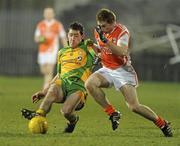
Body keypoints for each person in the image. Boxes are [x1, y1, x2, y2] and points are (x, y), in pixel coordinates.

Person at [85, 8, 173, 137]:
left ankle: (162, 124)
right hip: (107, 69)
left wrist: (106, 41)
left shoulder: (122, 32)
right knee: (89, 84)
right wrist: (94, 47)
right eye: (100, 25)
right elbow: (102, 50)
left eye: (104, 26)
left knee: (134, 106)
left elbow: (122, 52)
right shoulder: (99, 31)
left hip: (122, 71)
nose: (101, 28)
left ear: (113, 23)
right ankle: (112, 113)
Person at [22, 22, 96, 133]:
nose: (72, 38)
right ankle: (39, 114)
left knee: (65, 112)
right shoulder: (62, 52)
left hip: (78, 88)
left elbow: (101, 52)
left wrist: (94, 45)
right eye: (71, 35)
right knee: (53, 88)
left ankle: (73, 121)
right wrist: (43, 92)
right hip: (62, 84)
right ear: (67, 35)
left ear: (82, 36)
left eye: (76, 35)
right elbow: (58, 75)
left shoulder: (88, 49)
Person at [34, 7, 68, 90]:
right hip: (42, 51)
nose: (48, 15)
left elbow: (63, 37)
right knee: (43, 70)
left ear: (53, 14)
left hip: (52, 50)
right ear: (44, 14)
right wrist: (40, 39)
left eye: (50, 13)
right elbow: (36, 38)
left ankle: (46, 88)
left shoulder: (57, 25)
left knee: (49, 70)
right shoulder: (40, 25)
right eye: (47, 13)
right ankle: (49, 84)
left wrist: (67, 48)